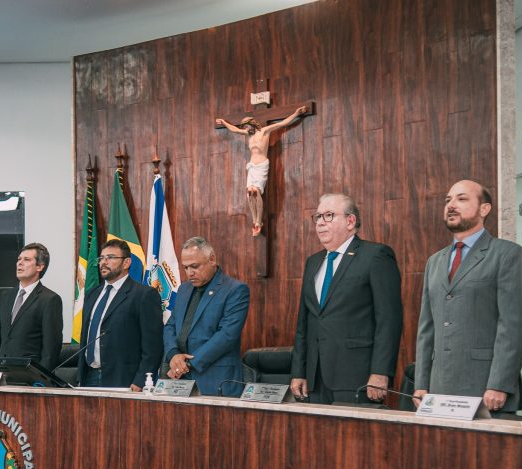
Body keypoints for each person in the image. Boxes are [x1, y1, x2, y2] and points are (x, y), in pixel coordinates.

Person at [413, 179, 522, 413]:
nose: (451, 205)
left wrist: (499, 383)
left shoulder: (507, 255)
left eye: (462, 198)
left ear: (484, 209)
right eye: (448, 200)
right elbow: (426, 329)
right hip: (438, 390)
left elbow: (513, 326)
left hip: (486, 389)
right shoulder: (434, 262)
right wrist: (421, 383)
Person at [290, 194, 403, 404]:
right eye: (318, 217)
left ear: (350, 221)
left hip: (357, 377)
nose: (320, 222)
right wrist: (299, 371)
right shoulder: (313, 262)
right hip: (315, 378)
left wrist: (380, 371)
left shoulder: (375, 256)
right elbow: (304, 323)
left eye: (329, 215)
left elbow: (389, 320)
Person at [162, 237, 250, 396]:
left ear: (212, 259)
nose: (190, 273)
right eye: (186, 268)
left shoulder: (235, 290)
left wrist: (186, 364)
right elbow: (170, 326)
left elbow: (227, 336)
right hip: (178, 379)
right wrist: (173, 354)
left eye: (194, 266)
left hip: (215, 379)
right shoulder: (184, 289)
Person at [77, 239, 163, 390]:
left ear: (126, 263)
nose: (103, 262)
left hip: (124, 380)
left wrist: (141, 380)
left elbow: (153, 346)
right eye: (101, 258)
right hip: (88, 377)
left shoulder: (143, 295)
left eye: (110, 257)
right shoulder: (92, 294)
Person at [215, 106, 308, 237]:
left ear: (252, 124)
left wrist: (296, 113)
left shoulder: (265, 131)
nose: (245, 129)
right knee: (249, 192)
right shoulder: (248, 135)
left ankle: (258, 221)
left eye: (246, 126)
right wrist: (224, 122)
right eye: (244, 127)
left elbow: (283, 123)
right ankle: (255, 220)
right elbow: (235, 130)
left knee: (255, 191)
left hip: (261, 165)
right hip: (252, 166)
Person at [0, 243, 63, 370]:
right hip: (2, 372)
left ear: (39, 266)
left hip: (30, 375)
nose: (20, 263)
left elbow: (51, 348)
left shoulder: (50, 299)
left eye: (26, 259)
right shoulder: (5, 296)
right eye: (19, 259)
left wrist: (41, 379)